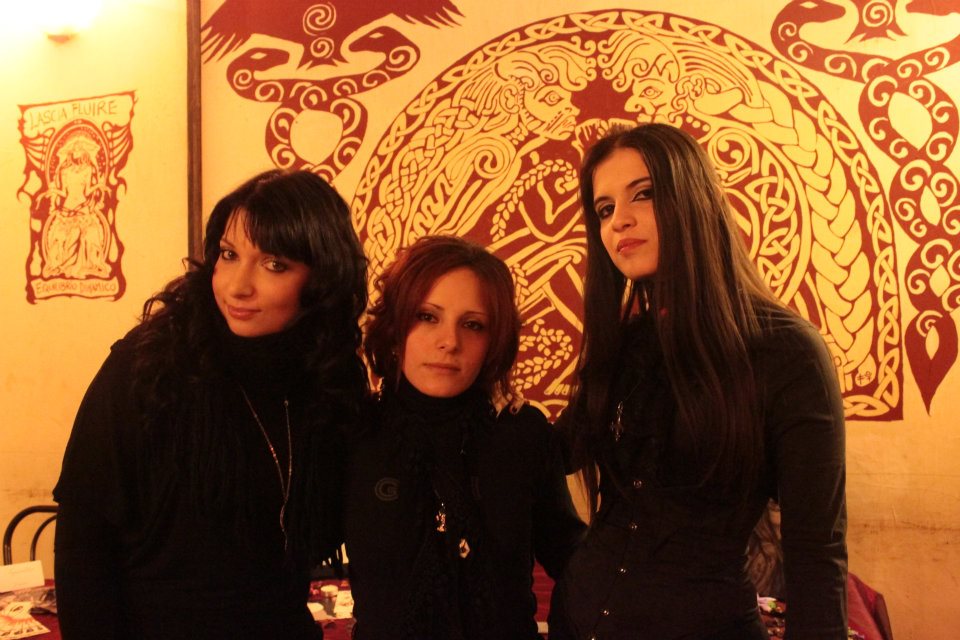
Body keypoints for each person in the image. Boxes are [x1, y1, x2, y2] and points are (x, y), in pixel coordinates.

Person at [548, 123, 847, 640]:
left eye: (644, 193)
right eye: (604, 209)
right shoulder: (624, 344)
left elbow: (817, 552)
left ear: (693, 199)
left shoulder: (786, 351)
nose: (620, 220)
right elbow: (548, 458)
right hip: (575, 622)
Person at [53, 169, 368, 639]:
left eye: (273, 264)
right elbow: (83, 538)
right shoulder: (149, 366)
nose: (238, 285)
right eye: (229, 254)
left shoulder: (330, 380)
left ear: (322, 278)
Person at [344, 235, 586, 640]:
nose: (450, 342)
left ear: (494, 341)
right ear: (396, 326)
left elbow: (572, 558)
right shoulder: (355, 432)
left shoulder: (522, 433)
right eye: (427, 316)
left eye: (472, 325)